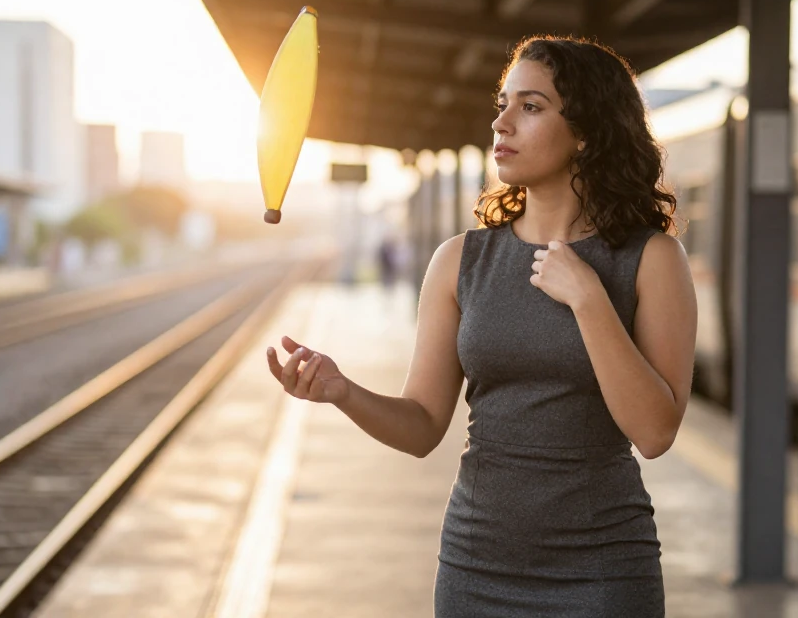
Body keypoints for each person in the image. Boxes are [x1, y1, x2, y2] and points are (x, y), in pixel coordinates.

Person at [266, 36, 697, 617]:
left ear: (587, 132)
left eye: (532, 106)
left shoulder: (651, 259)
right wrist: (342, 391)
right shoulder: (459, 261)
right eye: (503, 103)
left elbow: (654, 433)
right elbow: (421, 428)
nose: (503, 121)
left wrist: (590, 301)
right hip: (476, 566)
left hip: (603, 571)